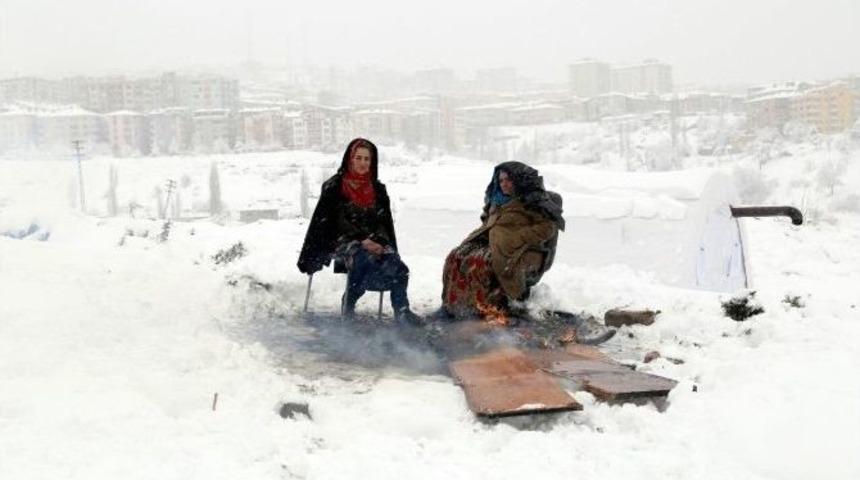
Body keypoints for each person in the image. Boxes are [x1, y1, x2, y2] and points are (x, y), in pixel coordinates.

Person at [297, 138, 421, 325]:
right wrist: (363, 240)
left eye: (367, 159)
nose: (363, 163)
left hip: (374, 240)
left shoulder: (377, 189)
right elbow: (336, 222)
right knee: (362, 260)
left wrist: (379, 241)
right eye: (359, 158)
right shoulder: (336, 186)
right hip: (343, 239)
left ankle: (402, 310)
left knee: (399, 268)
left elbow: (383, 221)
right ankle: (349, 304)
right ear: (350, 159)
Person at [441, 161, 564, 319]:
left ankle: (491, 309)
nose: (504, 184)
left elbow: (546, 229)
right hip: (495, 243)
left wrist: (516, 238)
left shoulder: (533, 201)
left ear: (519, 180)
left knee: (482, 264)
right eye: (501, 180)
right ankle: (458, 307)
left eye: (509, 179)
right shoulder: (497, 200)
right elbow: (488, 224)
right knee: (455, 257)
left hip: (524, 249)